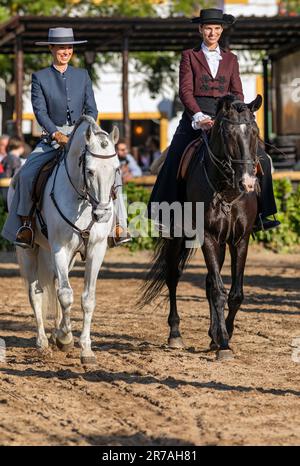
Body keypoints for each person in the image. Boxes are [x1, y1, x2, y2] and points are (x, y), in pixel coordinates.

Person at [148, 8, 280, 233]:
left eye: (217, 28)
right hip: (196, 115)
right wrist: (199, 116)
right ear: (201, 29)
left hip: (226, 116)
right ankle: (165, 217)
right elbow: (185, 91)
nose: (212, 32)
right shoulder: (189, 56)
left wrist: (239, 114)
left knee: (262, 159)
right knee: (174, 157)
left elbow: (237, 92)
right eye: (208, 28)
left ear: (221, 30)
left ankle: (261, 215)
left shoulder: (231, 58)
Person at [2, 27, 129, 248]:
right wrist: (56, 133)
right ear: (51, 48)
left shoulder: (82, 76)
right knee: (26, 174)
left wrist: (84, 130)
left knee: (111, 169)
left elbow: (92, 109)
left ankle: (119, 225)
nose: (65, 51)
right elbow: (40, 112)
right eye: (61, 47)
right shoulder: (40, 77)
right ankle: (26, 226)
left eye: (69, 47)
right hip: (52, 138)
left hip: (83, 136)